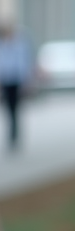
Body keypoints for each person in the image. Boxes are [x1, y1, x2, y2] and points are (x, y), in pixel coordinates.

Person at [0, 22, 33, 150]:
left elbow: (24, 63)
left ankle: (15, 135)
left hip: (17, 81)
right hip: (6, 81)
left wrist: (26, 81)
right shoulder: (2, 45)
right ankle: (11, 135)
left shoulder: (20, 45)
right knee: (9, 109)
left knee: (16, 109)